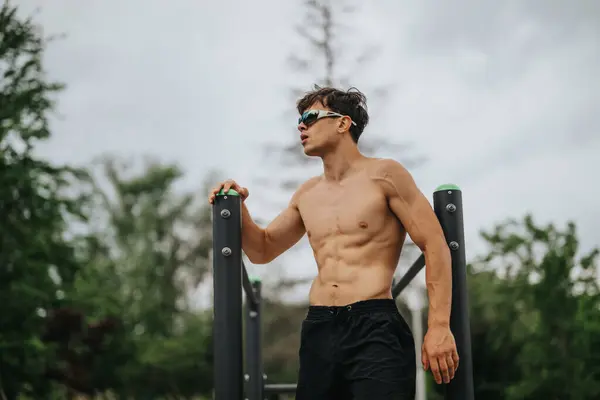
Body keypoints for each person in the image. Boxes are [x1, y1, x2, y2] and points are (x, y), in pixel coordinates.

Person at [208, 86, 459, 399]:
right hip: (320, 328)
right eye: (300, 120)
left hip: (375, 326)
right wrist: (237, 207)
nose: (301, 125)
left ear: (343, 123)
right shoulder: (307, 194)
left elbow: (434, 244)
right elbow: (262, 249)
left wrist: (438, 325)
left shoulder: (385, 175)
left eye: (311, 117)